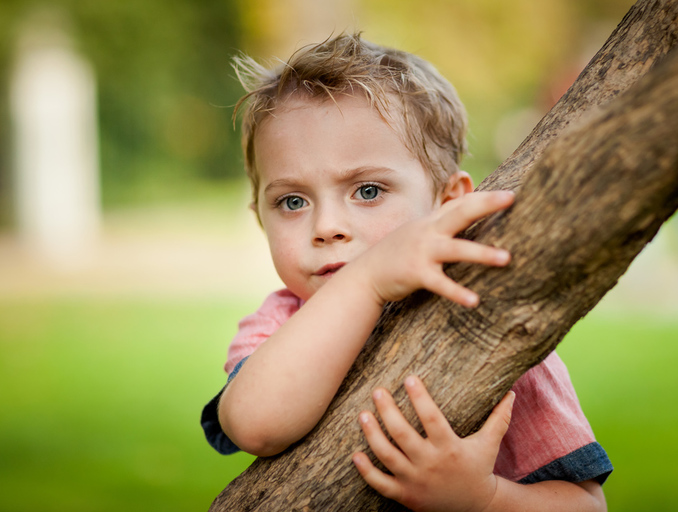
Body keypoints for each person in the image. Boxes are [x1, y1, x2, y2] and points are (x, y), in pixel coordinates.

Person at [201, 33, 612, 511]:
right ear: (260, 217)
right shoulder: (281, 324)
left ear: (449, 202)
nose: (327, 227)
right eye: (293, 201)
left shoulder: (495, 322)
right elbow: (255, 424)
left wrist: (484, 498)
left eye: (369, 191)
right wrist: (367, 279)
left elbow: (586, 505)